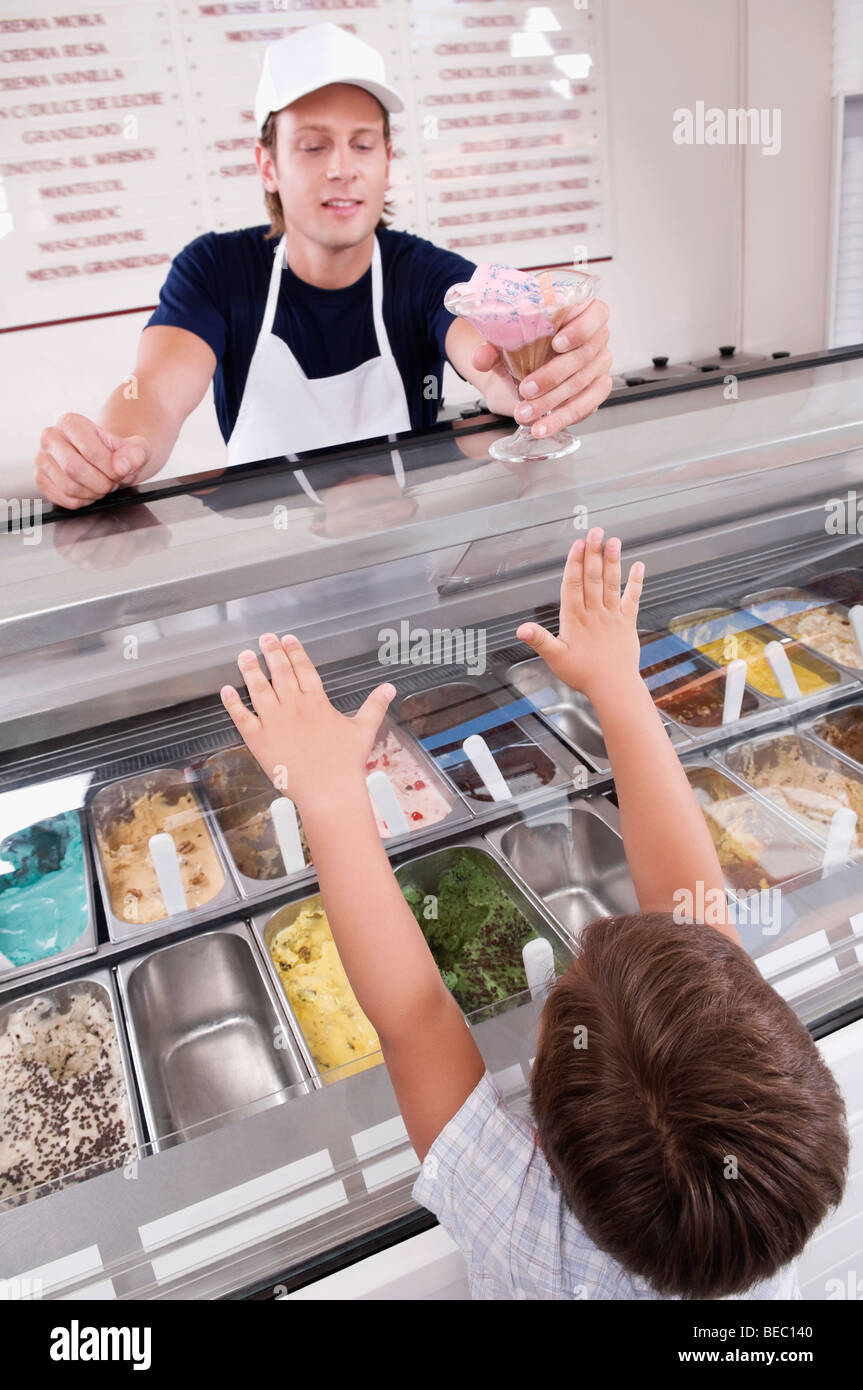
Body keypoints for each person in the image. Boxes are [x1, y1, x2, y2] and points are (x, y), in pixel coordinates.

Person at [217, 527, 848, 1300]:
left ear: (539, 1133)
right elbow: (694, 914)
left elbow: (414, 1014)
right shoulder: (750, 1230)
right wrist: (617, 683)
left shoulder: (521, 1221)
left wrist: (322, 792)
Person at [34, 23, 612, 511]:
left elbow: (490, 365)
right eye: (313, 146)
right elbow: (154, 393)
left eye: (363, 145)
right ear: (268, 165)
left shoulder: (426, 274)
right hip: (269, 599)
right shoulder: (214, 272)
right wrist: (114, 449)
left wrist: (540, 375)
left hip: (403, 574)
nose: (342, 167)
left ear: (388, 162)